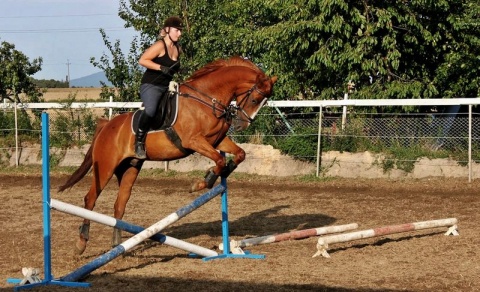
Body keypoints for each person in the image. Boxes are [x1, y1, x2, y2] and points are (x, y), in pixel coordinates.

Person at [135, 16, 183, 159]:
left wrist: (180, 71)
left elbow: (171, 69)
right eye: (177, 30)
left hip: (166, 88)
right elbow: (142, 60)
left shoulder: (177, 48)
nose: (179, 34)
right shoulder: (160, 45)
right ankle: (138, 142)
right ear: (167, 30)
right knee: (150, 110)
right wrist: (160, 67)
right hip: (151, 86)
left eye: (180, 31)